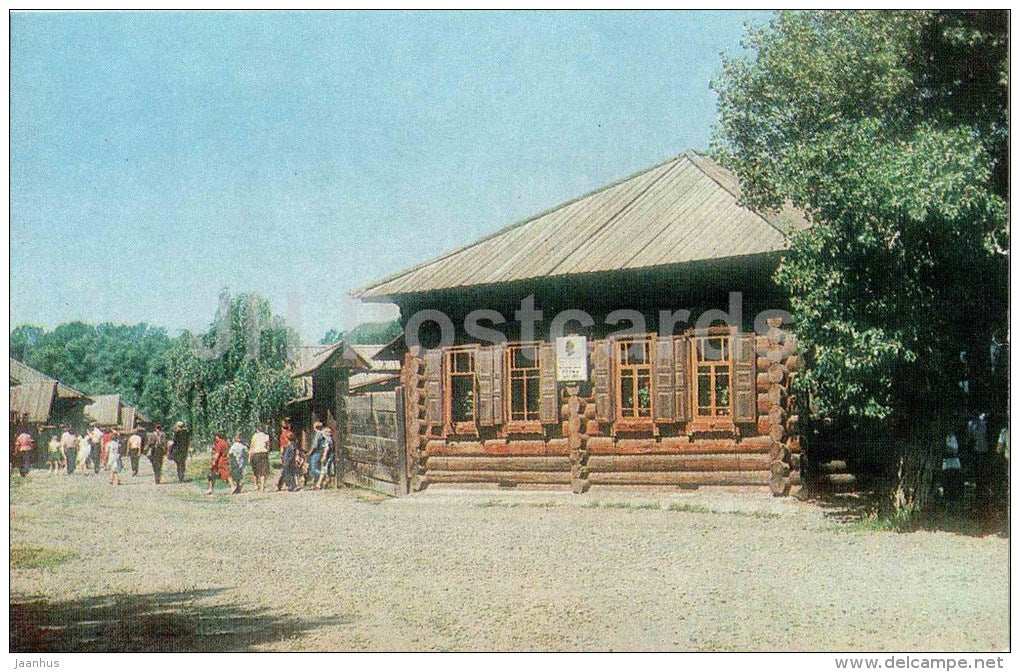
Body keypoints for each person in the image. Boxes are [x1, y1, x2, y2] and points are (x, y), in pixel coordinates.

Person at [249, 425, 271, 492]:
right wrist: (267, 452)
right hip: (264, 454)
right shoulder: (266, 436)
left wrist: (249, 456)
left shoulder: (254, 436)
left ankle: (256, 485)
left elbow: (252, 446)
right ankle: (262, 487)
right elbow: (268, 446)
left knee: (255, 470)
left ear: (257, 430)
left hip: (256, 454)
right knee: (263, 471)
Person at [308, 422, 326, 488]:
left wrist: (310, 453)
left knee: (313, 468)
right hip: (319, 452)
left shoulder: (318, 433)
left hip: (317, 452)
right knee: (316, 467)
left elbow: (315, 445)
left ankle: (324, 477)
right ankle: (318, 482)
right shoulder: (321, 433)